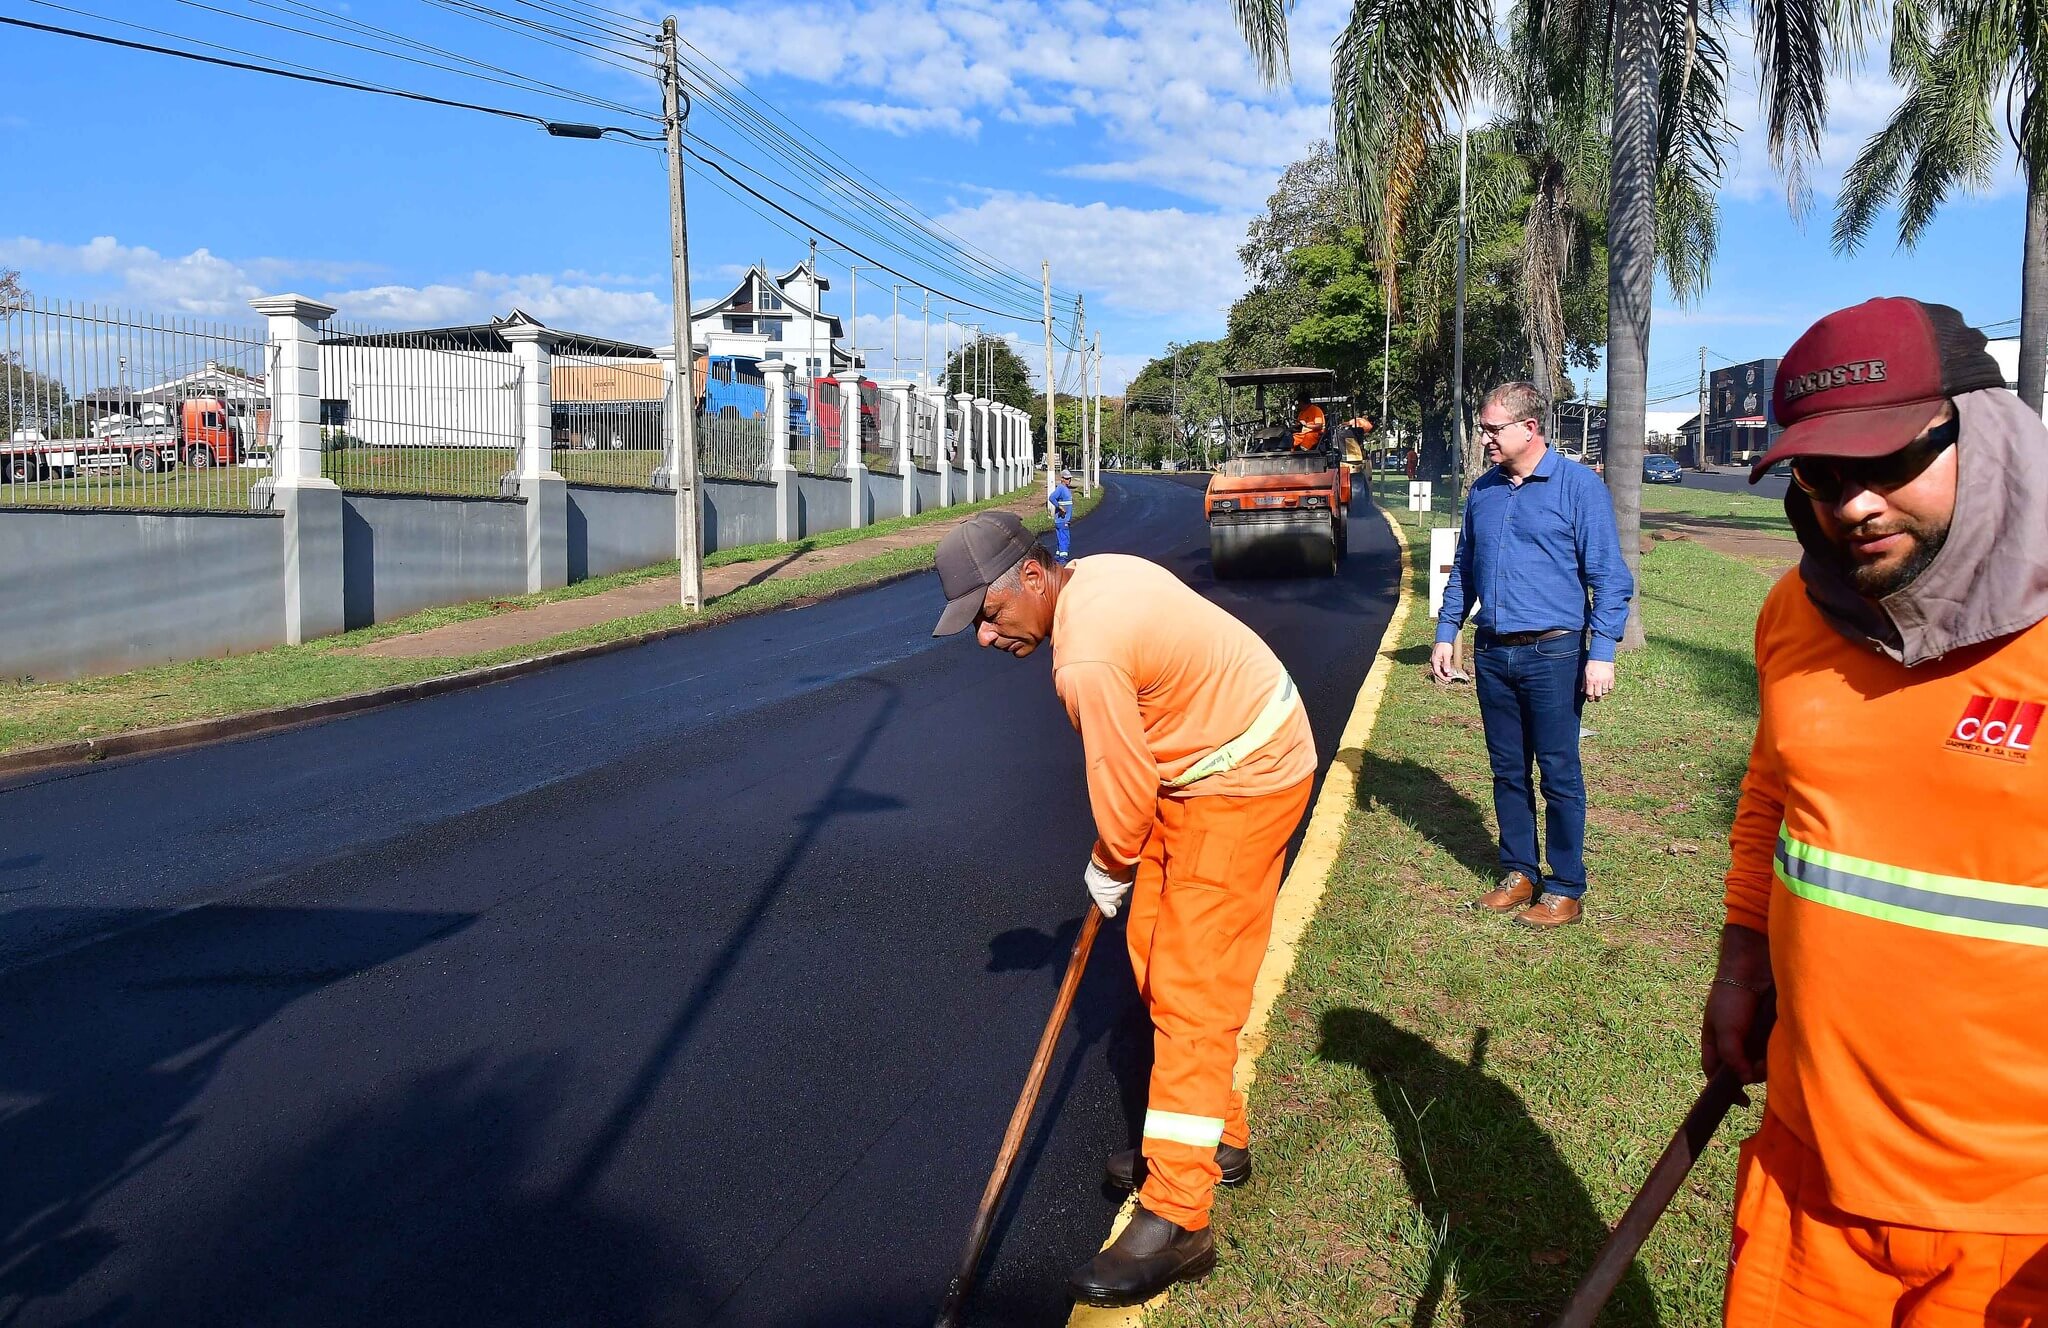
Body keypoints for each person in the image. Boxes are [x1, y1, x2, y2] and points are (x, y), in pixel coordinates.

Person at [1703, 298, 2048, 1326]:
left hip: (2010, 1226)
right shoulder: (1791, 614)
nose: (1849, 505)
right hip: (1806, 1177)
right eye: (1818, 475)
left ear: (1979, 430)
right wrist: (1738, 960)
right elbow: (1774, 790)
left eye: (1887, 461)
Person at [930, 511, 1316, 1308]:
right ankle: (1218, 1140)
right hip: (1199, 767)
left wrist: (1108, 866)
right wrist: (1121, 866)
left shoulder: (1088, 655)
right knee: (1149, 955)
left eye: (989, 614)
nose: (984, 638)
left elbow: (1123, 792)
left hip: (1245, 776)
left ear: (1033, 578)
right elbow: (1140, 780)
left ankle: (1180, 1217)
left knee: (1191, 991)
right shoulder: (1089, 579)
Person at [1430, 382, 1633, 928]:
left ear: (1530, 428)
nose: (1485, 438)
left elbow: (1608, 577)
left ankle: (1565, 886)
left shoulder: (1576, 488)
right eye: (1484, 429)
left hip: (1555, 653)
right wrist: (1448, 630)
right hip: (1494, 653)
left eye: (1494, 429)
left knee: (1559, 772)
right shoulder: (1484, 492)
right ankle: (1520, 872)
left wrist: (1603, 651)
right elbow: (1466, 570)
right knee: (1507, 771)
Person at [1048, 468, 1074, 564]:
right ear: (1062, 479)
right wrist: (1059, 507)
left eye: (1069, 478)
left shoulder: (1065, 489)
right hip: (1062, 520)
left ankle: (1058, 557)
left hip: (1062, 520)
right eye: (1067, 478)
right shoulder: (1061, 488)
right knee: (1065, 540)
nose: (1069, 480)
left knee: (1060, 539)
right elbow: (1051, 497)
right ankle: (1063, 560)